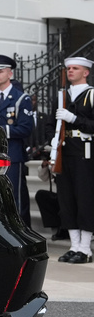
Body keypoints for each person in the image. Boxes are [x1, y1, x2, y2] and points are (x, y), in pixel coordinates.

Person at [0, 54, 34, 227]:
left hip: (13, 154)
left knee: (15, 197)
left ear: (10, 74)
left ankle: (22, 231)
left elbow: (26, 128)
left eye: (0, 71)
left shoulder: (20, 99)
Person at [52, 57, 94, 263]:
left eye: (75, 68)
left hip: (85, 153)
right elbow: (51, 123)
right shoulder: (62, 95)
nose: (70, 71)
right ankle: (74, 245)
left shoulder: (91, 94)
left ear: (85, 72)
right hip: (64, 152)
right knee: (67, 200)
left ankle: (85, 249)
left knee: (84, 199)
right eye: (68, 68)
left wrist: (74, 119)